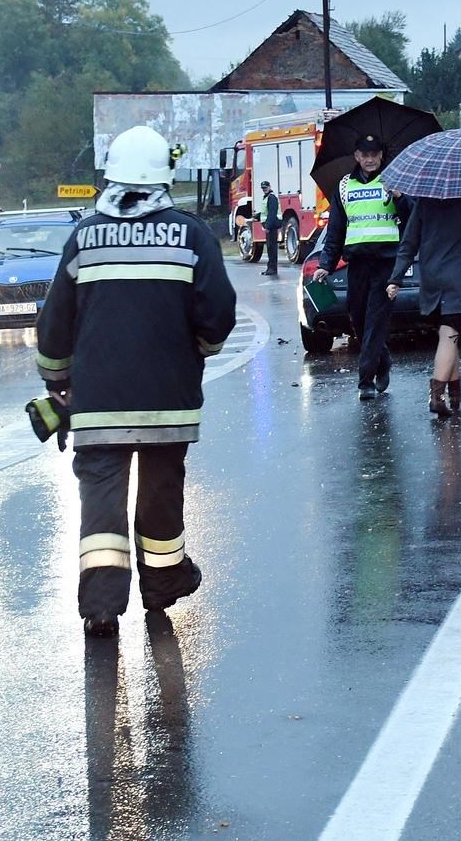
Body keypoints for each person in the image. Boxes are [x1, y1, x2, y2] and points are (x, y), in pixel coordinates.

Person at [36, 125, 237, 637]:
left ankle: (102, 605)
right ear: (165, 176)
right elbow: (218, 313)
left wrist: (57, 378)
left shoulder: (85, 237)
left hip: (97, 400)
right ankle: (163, 585)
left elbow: (55, 320)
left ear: (112, 175)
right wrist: (199, 351)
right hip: (168, 399)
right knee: (160, 492)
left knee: (101, 499)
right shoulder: (191, 235)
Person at [311, 134, 411, 400]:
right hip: (357, 263)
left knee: (376, 321)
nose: (370, 159)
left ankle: (365, 380)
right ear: (356, 156)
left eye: (374, 154)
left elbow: (412, 217)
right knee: (357, 318)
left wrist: (399, 197)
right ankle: (383, 360)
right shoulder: (345, 186)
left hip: (386, 263)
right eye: (365, 154)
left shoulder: (393, 181)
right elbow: (335, 230)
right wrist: (325, 264)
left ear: (381, 155)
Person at [385, 197, 461, 417]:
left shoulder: (424, 203)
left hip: (432, 279)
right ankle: (437, 396)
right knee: (449, 335)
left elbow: (408, 244)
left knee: (449, 335)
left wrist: (396, 278)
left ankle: (455, 396)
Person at [258, 180, 281, 276]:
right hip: (270, 226)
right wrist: (257, 217)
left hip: (272, 227)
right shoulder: (267, 197)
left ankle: (272, 269)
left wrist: (268, 226)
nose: (264, 189)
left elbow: (272, 213)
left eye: (265, 187)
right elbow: (265, 212)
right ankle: (270, 268)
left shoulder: (272, 198)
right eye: (263, 188)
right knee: (270, 248)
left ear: (269, 187)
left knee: (272, 248)